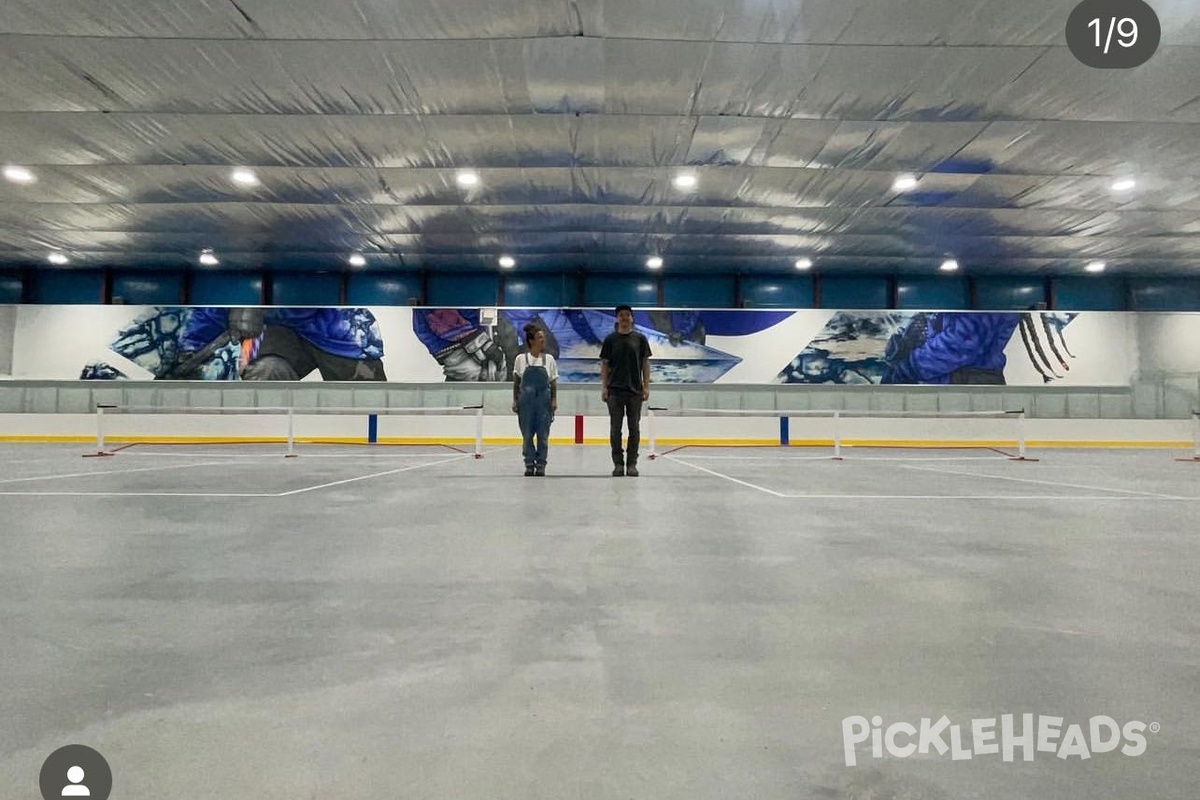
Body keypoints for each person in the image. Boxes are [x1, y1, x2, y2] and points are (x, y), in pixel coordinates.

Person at [599, 304, 653, 476]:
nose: (624, 318)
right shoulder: (610, 340)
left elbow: (645, 363)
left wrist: (646, 386)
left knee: (634, 429)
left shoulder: (640, 339)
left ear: (631, 318)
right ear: (617, 318)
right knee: (615, 430)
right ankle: (618, 464)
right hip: (614, 392)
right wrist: (604, 387)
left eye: (627, 315)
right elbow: (605, 365)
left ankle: (632, 464)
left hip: (635, 391)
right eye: (621, 315)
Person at [512, 323, 558, 476]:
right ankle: (529, 463)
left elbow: (553, 383)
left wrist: (553, 400)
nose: (543, 340)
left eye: (543, 337)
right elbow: (516, 382)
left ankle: (541, 464)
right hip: (526, 402)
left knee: (543, 435)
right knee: (527, 435)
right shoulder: (521, 359)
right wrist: (515, 400)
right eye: (539, 337)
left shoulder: (549, 360)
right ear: (531, 341)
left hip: (543, 402)